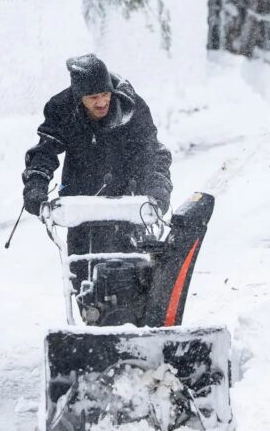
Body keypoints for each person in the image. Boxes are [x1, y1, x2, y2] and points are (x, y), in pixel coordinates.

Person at [22, 53, 172, 288]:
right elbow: (45, 151)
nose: (101, 102)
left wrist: (158, 188)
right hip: (81, 199)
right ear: (79, 96)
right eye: (93, 97)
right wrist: (35, 185)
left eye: (105, 94)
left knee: (133, 277)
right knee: (83, 276)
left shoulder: (131, 108)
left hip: (128, 200)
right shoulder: (62, 108)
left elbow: (153, 154)